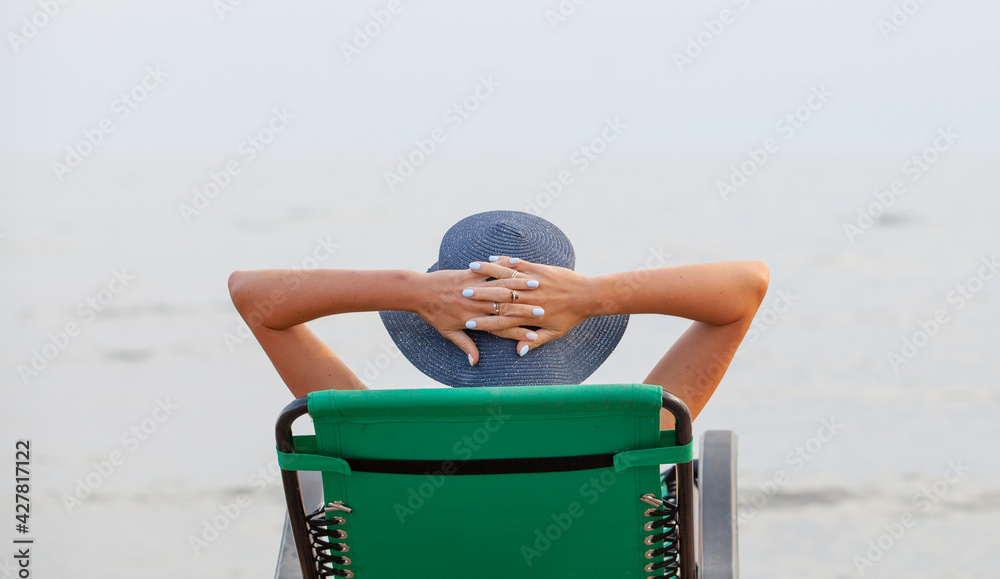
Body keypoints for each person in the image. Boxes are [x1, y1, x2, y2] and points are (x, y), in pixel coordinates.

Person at [228, 210, 768, 428]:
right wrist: (596, 296)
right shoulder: (637, 430)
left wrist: (411, 290)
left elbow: (252, 296)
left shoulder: (371, 434)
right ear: (571, 333)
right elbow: (747, 287)